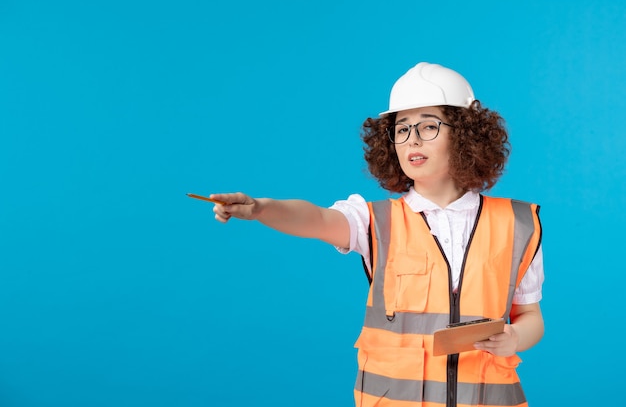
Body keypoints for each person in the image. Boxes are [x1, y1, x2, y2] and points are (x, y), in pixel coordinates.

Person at [209, 62, 544, 407]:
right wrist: (262, 208)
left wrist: (515, 337)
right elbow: (318, 219)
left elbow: (531, 316)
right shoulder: (373, 221)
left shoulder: (517, 223)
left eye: (429, 126)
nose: (412, 139)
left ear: (464, 134)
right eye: (401, 129)